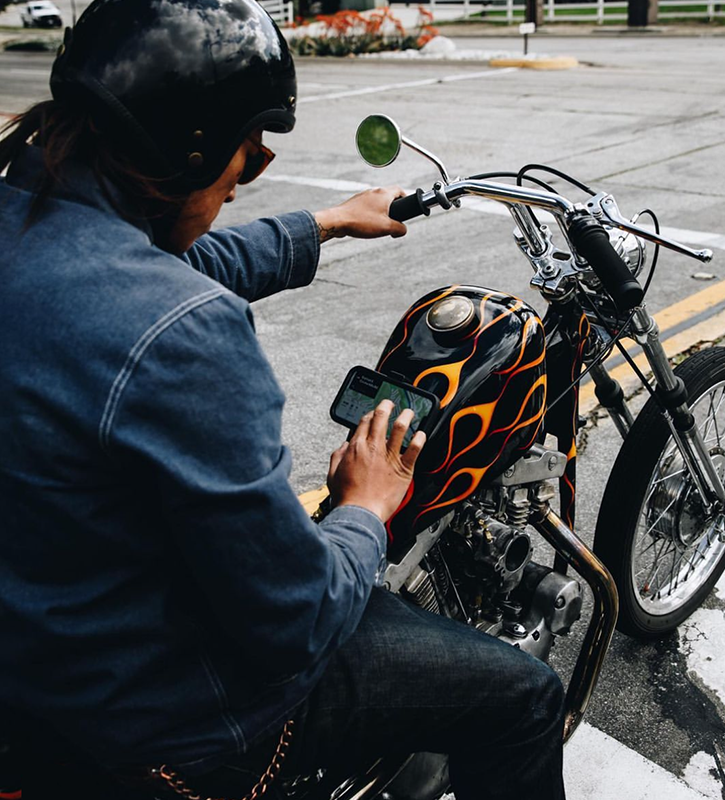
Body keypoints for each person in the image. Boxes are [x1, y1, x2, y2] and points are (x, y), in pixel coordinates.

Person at [0, 0, 566, 798]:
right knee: (525, 698)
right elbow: (295, 621)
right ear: (188, 150)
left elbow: (156, 262)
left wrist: (327, 221)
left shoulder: (36, 219)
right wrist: (365, 509)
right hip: (172, 716)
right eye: (250, 156)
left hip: (37, 665)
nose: (244, 179)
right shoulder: (184, 337)